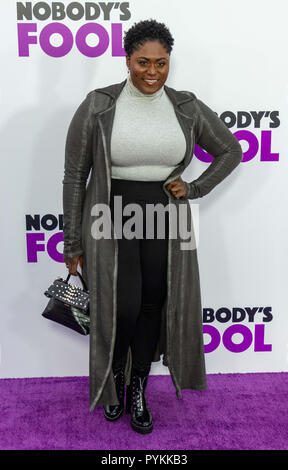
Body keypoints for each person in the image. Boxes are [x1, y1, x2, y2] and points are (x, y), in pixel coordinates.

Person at [63, 19, 243, 435]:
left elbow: (230, 150)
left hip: (166, 214)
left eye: (161, 64)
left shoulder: (185, 106)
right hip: (110, 213)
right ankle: (118, 379)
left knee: (152, 305)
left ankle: (139, 386)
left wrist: (195, 187)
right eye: (142, 62)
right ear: (127, 60)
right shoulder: (99, 103)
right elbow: (75, 175)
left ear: (169, 63)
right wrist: (73, 239)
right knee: (121, 305)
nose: (152, 72)